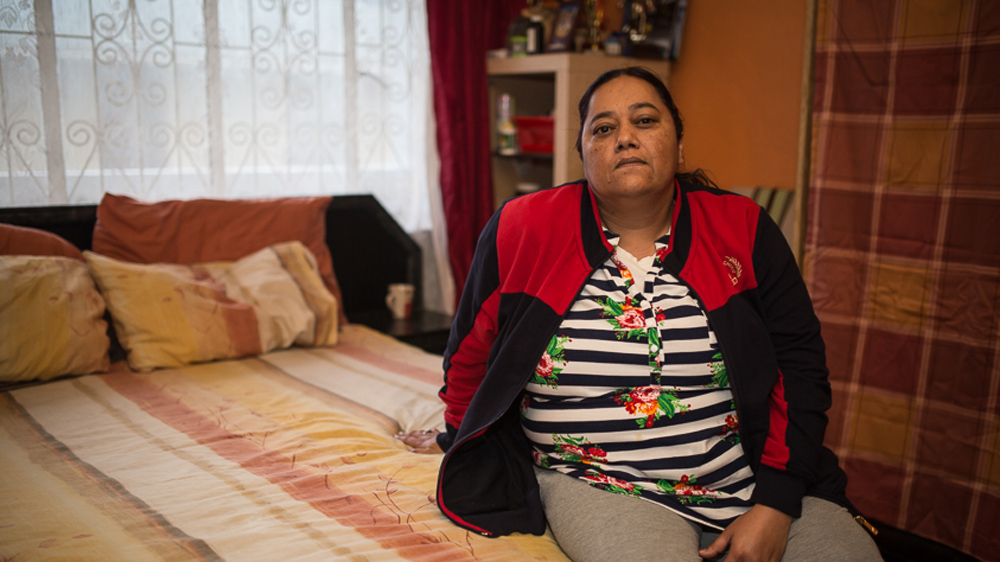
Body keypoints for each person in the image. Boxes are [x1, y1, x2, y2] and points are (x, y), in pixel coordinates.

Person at [398, 66, 881, 562]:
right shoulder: (521, 229)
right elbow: (469, 355)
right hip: (601, 484)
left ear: (680, 144)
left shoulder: (743, 227)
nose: (624, 138)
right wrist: (461, 439)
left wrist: (776, 504)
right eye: (603, 129)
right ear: (583, 155)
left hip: (747, 477)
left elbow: (801, 367)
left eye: (645, 121)